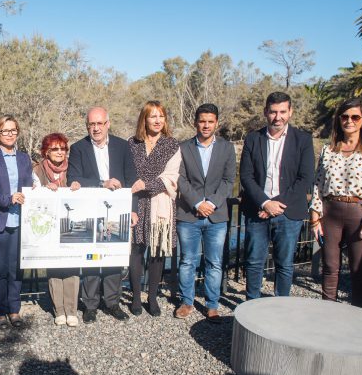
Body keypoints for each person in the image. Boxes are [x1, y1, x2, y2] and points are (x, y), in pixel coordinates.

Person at [309, 98, 362, 308]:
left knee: (359, 270)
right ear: (339, 119)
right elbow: (318, 184)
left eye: (355, 117)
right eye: (345, 116)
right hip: (330, 213)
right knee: (330, 266)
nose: (349, 121)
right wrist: (314, 217)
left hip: (359, 213)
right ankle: (328, 313)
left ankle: (357, 318)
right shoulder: (329, 149)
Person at [240, 92, 314, 300]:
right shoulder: (253, 138)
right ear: (266, 112)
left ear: (290, 112)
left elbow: (306, 177)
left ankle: (281, 306)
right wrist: (265, 203)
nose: (277, 117)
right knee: (254, 261)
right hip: (257, 210)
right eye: (273, 112)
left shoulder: (303, 139)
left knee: (284, 263)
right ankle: (252, 305)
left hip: (289, 213)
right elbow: (245, 176)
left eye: (282, 112)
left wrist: (277, 204)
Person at [68, 106, 137, 323]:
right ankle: (90, 304)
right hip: (89, 209)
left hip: (115, 210)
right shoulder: (79, 148)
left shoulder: (122, 146)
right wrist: (101, 184)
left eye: (99, 123)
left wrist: (133, 209)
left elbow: (131, 179)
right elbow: (73, 179)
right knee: (90, 258)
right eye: (91, 124)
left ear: (108, 124)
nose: (96, 128)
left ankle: (113, 302)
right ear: (87, 126)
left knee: (113, 256)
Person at [175, 104, 236, 321]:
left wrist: (211, 203)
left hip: (217, 216)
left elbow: (229, 181)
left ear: (216, 123)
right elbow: (179, 178)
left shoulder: (227, 148)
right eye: (202, 121)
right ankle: (187, 302)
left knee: (214, 262)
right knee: (187, 261)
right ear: (196, 122)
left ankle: (212, 305)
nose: (206, 125)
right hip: (189, 215)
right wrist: (197, 203)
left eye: (210, 121)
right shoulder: (182, 147)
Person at [127, 101, 180, 317]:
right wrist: (136, 184)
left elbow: (172, 176)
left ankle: (153, 297)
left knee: (157, 252)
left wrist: (145, 184)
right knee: (136, 251)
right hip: (136, 204)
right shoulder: (133, 144)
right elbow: (128, 172)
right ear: (144, 119)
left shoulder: (172, 145)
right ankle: (137, 297)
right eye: (152, 116)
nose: (157, 121)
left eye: (161, 116)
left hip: (161, 204)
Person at [0, 115, 34, 329]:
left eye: (13, 130)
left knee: (16, 268)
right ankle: (0, 311)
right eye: (5, 131)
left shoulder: (24, 158)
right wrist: (9, 198)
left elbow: (29, 187)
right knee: (0, 268)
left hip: (21, 221)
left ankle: (14, 310)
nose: (10, 134)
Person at [33, 133, 82, 326]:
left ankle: (72, 310)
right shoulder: (36, 170)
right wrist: (45, 188)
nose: (60, 152)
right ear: (46, 151)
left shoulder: (74, 168)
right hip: (48, 227)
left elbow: (84, 187)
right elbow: (32, 194)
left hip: (70, 226)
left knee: (71, 265)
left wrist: (78, 185)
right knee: (54, 267)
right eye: (54, 148)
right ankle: (59, 310)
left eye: (63, 148)